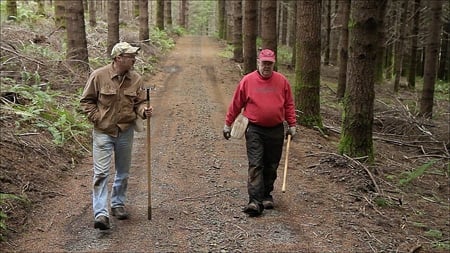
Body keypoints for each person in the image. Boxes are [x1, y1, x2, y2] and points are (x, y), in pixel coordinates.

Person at [80, 42, 153, 230]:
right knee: (101, 173)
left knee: (123, 172)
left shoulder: (136, 79)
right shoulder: (98, 76)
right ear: (118, 58)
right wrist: (98, 119)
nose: (134, 59)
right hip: (103, 132)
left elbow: (140, 102)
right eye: (130, 56)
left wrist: (144, 111)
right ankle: (101, 214)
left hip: (125, 131)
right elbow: (86, 101)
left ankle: (118, 204)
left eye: (133, 56)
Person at [223, 49, 297, 217]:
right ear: (258, 62)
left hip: (276, 129)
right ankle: (254, 202)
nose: (266, 67)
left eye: (269, 64)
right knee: (256, 164)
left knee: (271, 164)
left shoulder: (282, 81)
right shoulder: (247, 81)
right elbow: (236, 104)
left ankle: (266, 195)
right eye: (264, 63)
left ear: (274, 64)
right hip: (254, 128)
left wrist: (292, 124)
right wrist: (228, 124)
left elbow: (289, 105)